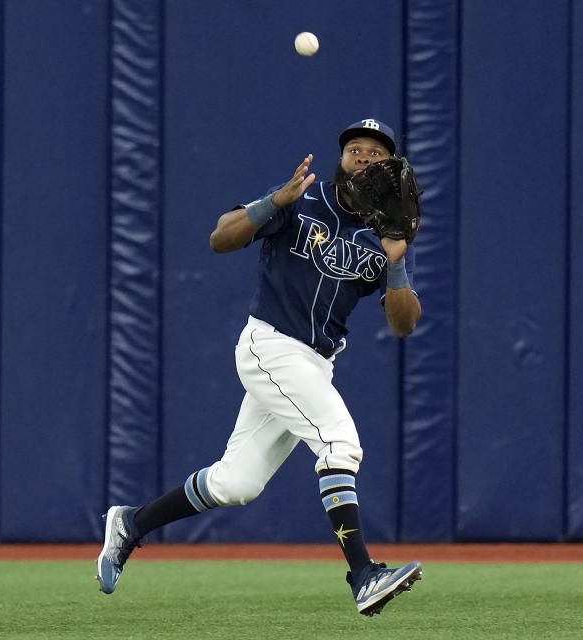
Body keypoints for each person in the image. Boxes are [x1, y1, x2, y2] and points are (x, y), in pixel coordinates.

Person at [96, 118, 424, 616]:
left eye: (375, 153)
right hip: (270, 345)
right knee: (339, 440)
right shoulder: (303, 200)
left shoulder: (384, 236)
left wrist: (397, 261)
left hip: (315, 363)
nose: (363, 157)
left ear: (388, 167)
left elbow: (403, 324)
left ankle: (131, 524)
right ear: (342, 159)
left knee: (236, 483)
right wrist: (276, 201)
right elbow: (220, 238)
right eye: (354, 148)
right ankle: (363, 575)